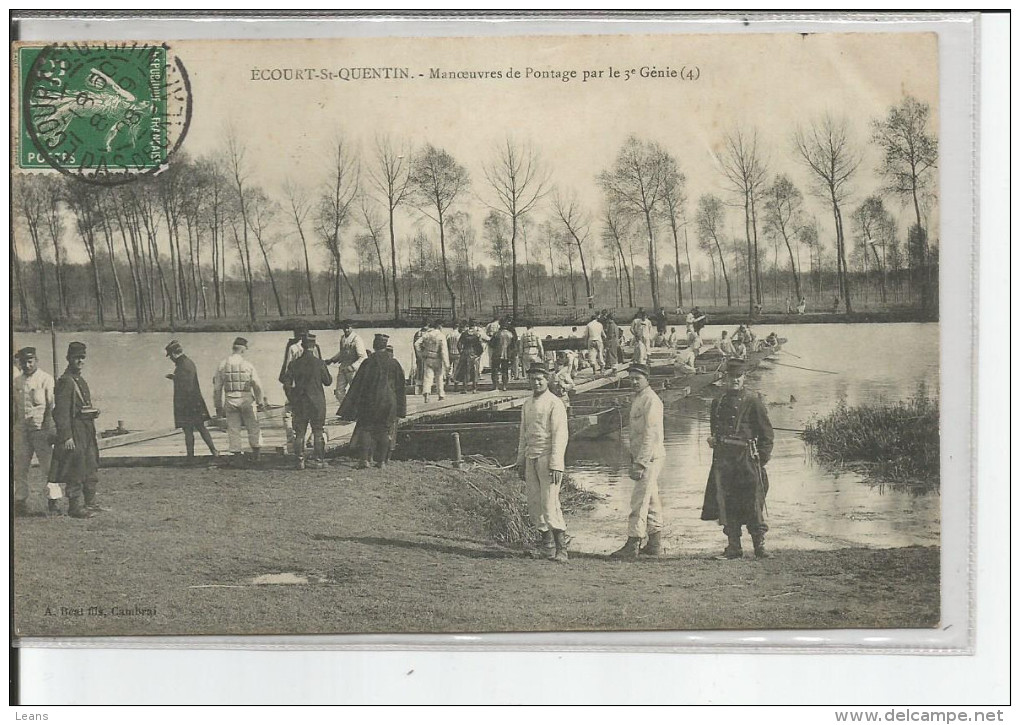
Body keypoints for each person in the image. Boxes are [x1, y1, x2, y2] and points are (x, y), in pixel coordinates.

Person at [700, 358, 775, 560]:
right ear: (725, 378)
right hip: (724, 461)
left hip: (747, 460)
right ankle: (734, 547)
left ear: (744, 377)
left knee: (753, 502)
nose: (735, 380)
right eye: (731, 376)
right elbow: (715, 430)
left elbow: (767, 435)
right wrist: (714, 441)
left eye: (738, 376)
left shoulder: (753, 401)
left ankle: (759, 548)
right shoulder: (718, 402)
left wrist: (761, 460)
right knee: (727, 502)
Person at [610, 363, 666, 559]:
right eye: (631, 378)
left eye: (637, 378)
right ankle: (655, 544)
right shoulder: (639, 398)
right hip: (642, 456)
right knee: (650, 500)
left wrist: (640, 463)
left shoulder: (651, 400)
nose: (633, 382)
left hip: (650, 457)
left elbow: (651, 434)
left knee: (638, 501)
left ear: (647, 379)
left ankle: (633, 543)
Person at [516, 362, 570, 563]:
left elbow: (560, 435)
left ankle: (561, 549)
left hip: (548, 458)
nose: (536, 382)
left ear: (547, 380)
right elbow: (523, 434)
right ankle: (546, 546)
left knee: (550, 502)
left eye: (540, 379)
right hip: (532, 457)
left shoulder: (554, 403)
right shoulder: (527, 404)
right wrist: (520, 460)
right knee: (535, 502)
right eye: (532, 379)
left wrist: (556, 463)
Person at [48, 342, 102, 518]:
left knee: (90, 464)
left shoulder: (80, 380)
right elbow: (61, 413)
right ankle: (75, 507)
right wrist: (66, 436)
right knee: (76, 467)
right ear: (68, 359)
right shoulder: (65, 381)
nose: (79, 361)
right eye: (76, 358)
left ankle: (90, 503)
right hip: (74, 430)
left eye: (82, 358)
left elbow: (82, 406)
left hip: (86, 429)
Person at [338, 333, 407, 469]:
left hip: (370, 402)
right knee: (384, 430)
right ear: (385, 346)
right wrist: (401, 409)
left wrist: (350, 407)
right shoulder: (394, 363)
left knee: (366, 428)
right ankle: (381, 462)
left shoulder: (368, 362)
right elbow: (401, 387)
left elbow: (358, 385)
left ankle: (364, 460)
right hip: (389, 402)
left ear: (374, 346)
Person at [13, 347, 58, 516]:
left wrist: (50, 428)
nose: (27, 364)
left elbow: (51, 406)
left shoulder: (46, 379)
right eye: (24, 361)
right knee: (20, 467)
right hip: (21, 430)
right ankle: (20, 501)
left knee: (48, 466)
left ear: (36, 360)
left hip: (41, 429)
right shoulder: (16, 381)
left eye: (30, 361)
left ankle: (53, 501)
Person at [282, 333, 333, 470]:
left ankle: (299, 460)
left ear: (303, 346)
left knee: (300, 432)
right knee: (318, 431)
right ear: (314, 346)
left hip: (300, 402)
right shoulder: (319, 363)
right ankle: (318, 461)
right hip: (317, 402)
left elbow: (286, 384)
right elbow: (328, 381)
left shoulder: (294, 364)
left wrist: (292, 397)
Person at [212, 337, 266, 463]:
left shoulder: (222, 364)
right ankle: (256, 454)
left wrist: (218, 406)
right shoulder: (247, 365)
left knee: (233, 428)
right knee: (253, 426)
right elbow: (257, 385)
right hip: (246, 398)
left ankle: (236, 456)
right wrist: (260, 401)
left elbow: (217, 388)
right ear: (243, 349)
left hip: (230, 398)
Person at [165, 340, 219, 462]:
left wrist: (175, 379)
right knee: (201, 428)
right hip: (195, 403)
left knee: (188, 430)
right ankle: (214, 451)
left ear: (174, 354)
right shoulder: (187, 363)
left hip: (187, 404)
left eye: (170, 356)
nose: (170, 359)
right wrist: (175, 378)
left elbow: (186, 387)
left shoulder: (182, 365)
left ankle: (190, 457)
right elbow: (187, 381)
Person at [326, 320, 367, 408]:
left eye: (348, 327)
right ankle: (346, 409)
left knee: (355, 392)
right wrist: (332, 360)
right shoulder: (342, 338)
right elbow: (342, 352)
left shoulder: (357, 339)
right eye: (344, 328)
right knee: (338, 392)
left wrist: (352, 367)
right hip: (343, 368)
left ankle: (358, 411)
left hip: (353, 370)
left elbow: (363, 357)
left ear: (352, 327)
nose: (346, 330)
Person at [415, 319, 449, 403]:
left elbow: (417, 344)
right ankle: (441, 395)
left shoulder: (427, 334)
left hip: (428, 358)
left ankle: (426, 394)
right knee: (439, 377)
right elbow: (444, 351)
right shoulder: (441, 336)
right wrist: (446, 364)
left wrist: (421, 353)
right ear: (439, 326)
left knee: (427, 377)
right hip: (437, 358)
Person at [456, 323, 484, 393]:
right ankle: (474, 388)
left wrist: (461, 351)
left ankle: (465, 388)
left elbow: (459, 344)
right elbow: (480, 346)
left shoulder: (464, 334)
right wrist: (479, 354)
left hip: (465, 352)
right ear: (474, 326)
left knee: (465, 371)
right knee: (474, 371)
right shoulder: (477, 334)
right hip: (474, 353)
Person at [490, 321, 515, 391]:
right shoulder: (510, 334)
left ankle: (495, 385)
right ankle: (504, 386)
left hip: (497, 354)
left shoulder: (496, 334)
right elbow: (513, 346)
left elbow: (491, 344)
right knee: (505, 371)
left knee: (495, 370)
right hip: (506, 355)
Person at [446, 321, 462, 386]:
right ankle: (455, 383)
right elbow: (460, 344)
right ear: (458, 327)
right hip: (457, 353)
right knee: (456, 368)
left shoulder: (449, 335)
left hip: (450, 353)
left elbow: (447, 344)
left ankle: (447, 380)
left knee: (448, 367)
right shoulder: (459, 335)